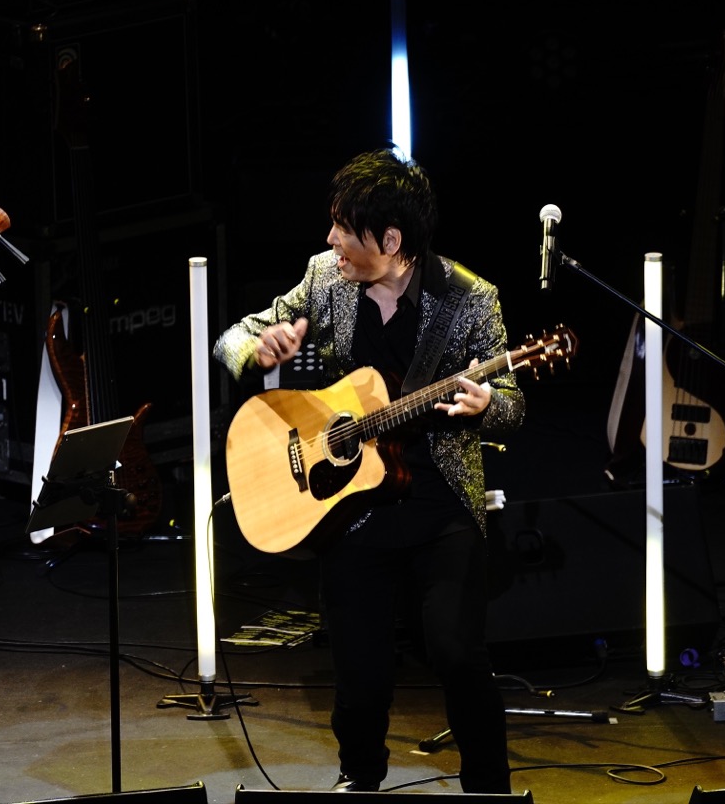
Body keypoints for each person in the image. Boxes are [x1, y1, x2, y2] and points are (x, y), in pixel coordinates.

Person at [213, 148, 522, 794]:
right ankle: (359, 780)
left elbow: (513, 405)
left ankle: (490, 787)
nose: (331, 240)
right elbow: (232, 338)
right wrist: (258, 347)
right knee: (359, 672)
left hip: (438, 504)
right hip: (352, 507)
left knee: (456, 653)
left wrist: (487, 405)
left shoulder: (469, 300)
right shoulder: (324, 278)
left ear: (391, 241)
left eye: (344, 229)